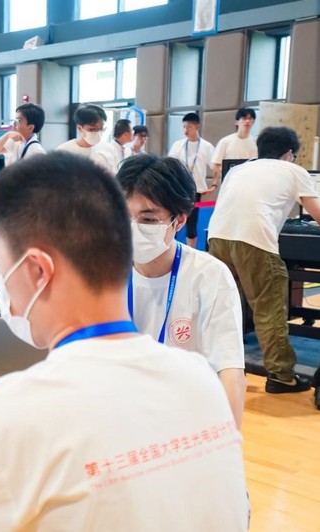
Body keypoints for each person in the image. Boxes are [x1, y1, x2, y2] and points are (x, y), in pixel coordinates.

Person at [0, 152, 249, 531]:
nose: (1, 291)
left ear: (38, 270)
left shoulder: (9, 419)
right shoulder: (200, 382)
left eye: (1, 267)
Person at [117, 154, 246, 427]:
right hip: (121, 413)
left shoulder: (209, 276)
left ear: (179, 221)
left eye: (148, 220)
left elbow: (230, 370)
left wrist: (228, 441)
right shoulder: (101, 272)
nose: (133, 229)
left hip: (184, 417)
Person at [208, 126, 320, 394]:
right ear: (289, 153)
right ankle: (281, 376)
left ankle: (220, 366)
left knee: (224, 307)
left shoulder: (238, 170)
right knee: (269, 308)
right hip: (254, 241)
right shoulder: (293, 170)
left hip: (217, 237)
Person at [167, 113, 215, 248]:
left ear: (197, 127)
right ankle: (170, 249)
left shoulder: (206, 146)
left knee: (191, 224)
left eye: (189, 127)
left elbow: (216, 166)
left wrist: (214, 184)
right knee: (173, 220)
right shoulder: (178, 145)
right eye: (184, 127)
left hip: (195, 190)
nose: (185, 130)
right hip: (178, 188)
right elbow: (169, 165)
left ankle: (190, 251)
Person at [55, 104, 114, 173]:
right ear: (80, 128)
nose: (97, 132)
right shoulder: (64, 151)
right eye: (92, 129)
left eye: (101, 128)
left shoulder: (107, 148)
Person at [0, 102, 46, 166]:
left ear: (30, 128)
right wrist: (7, 135)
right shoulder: (16, 141)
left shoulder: (37, 151)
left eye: (18, 121)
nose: (14, 123)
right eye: (15, 120)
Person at [212, 107, 258, 183]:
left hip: (249, 181)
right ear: (237, 122)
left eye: (250, 119)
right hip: (230, 181)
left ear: (253, 122)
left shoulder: (256, 142)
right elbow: (216, 164)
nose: (247, 121)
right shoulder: (225, 141)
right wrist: (228, 174)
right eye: (244, 118)